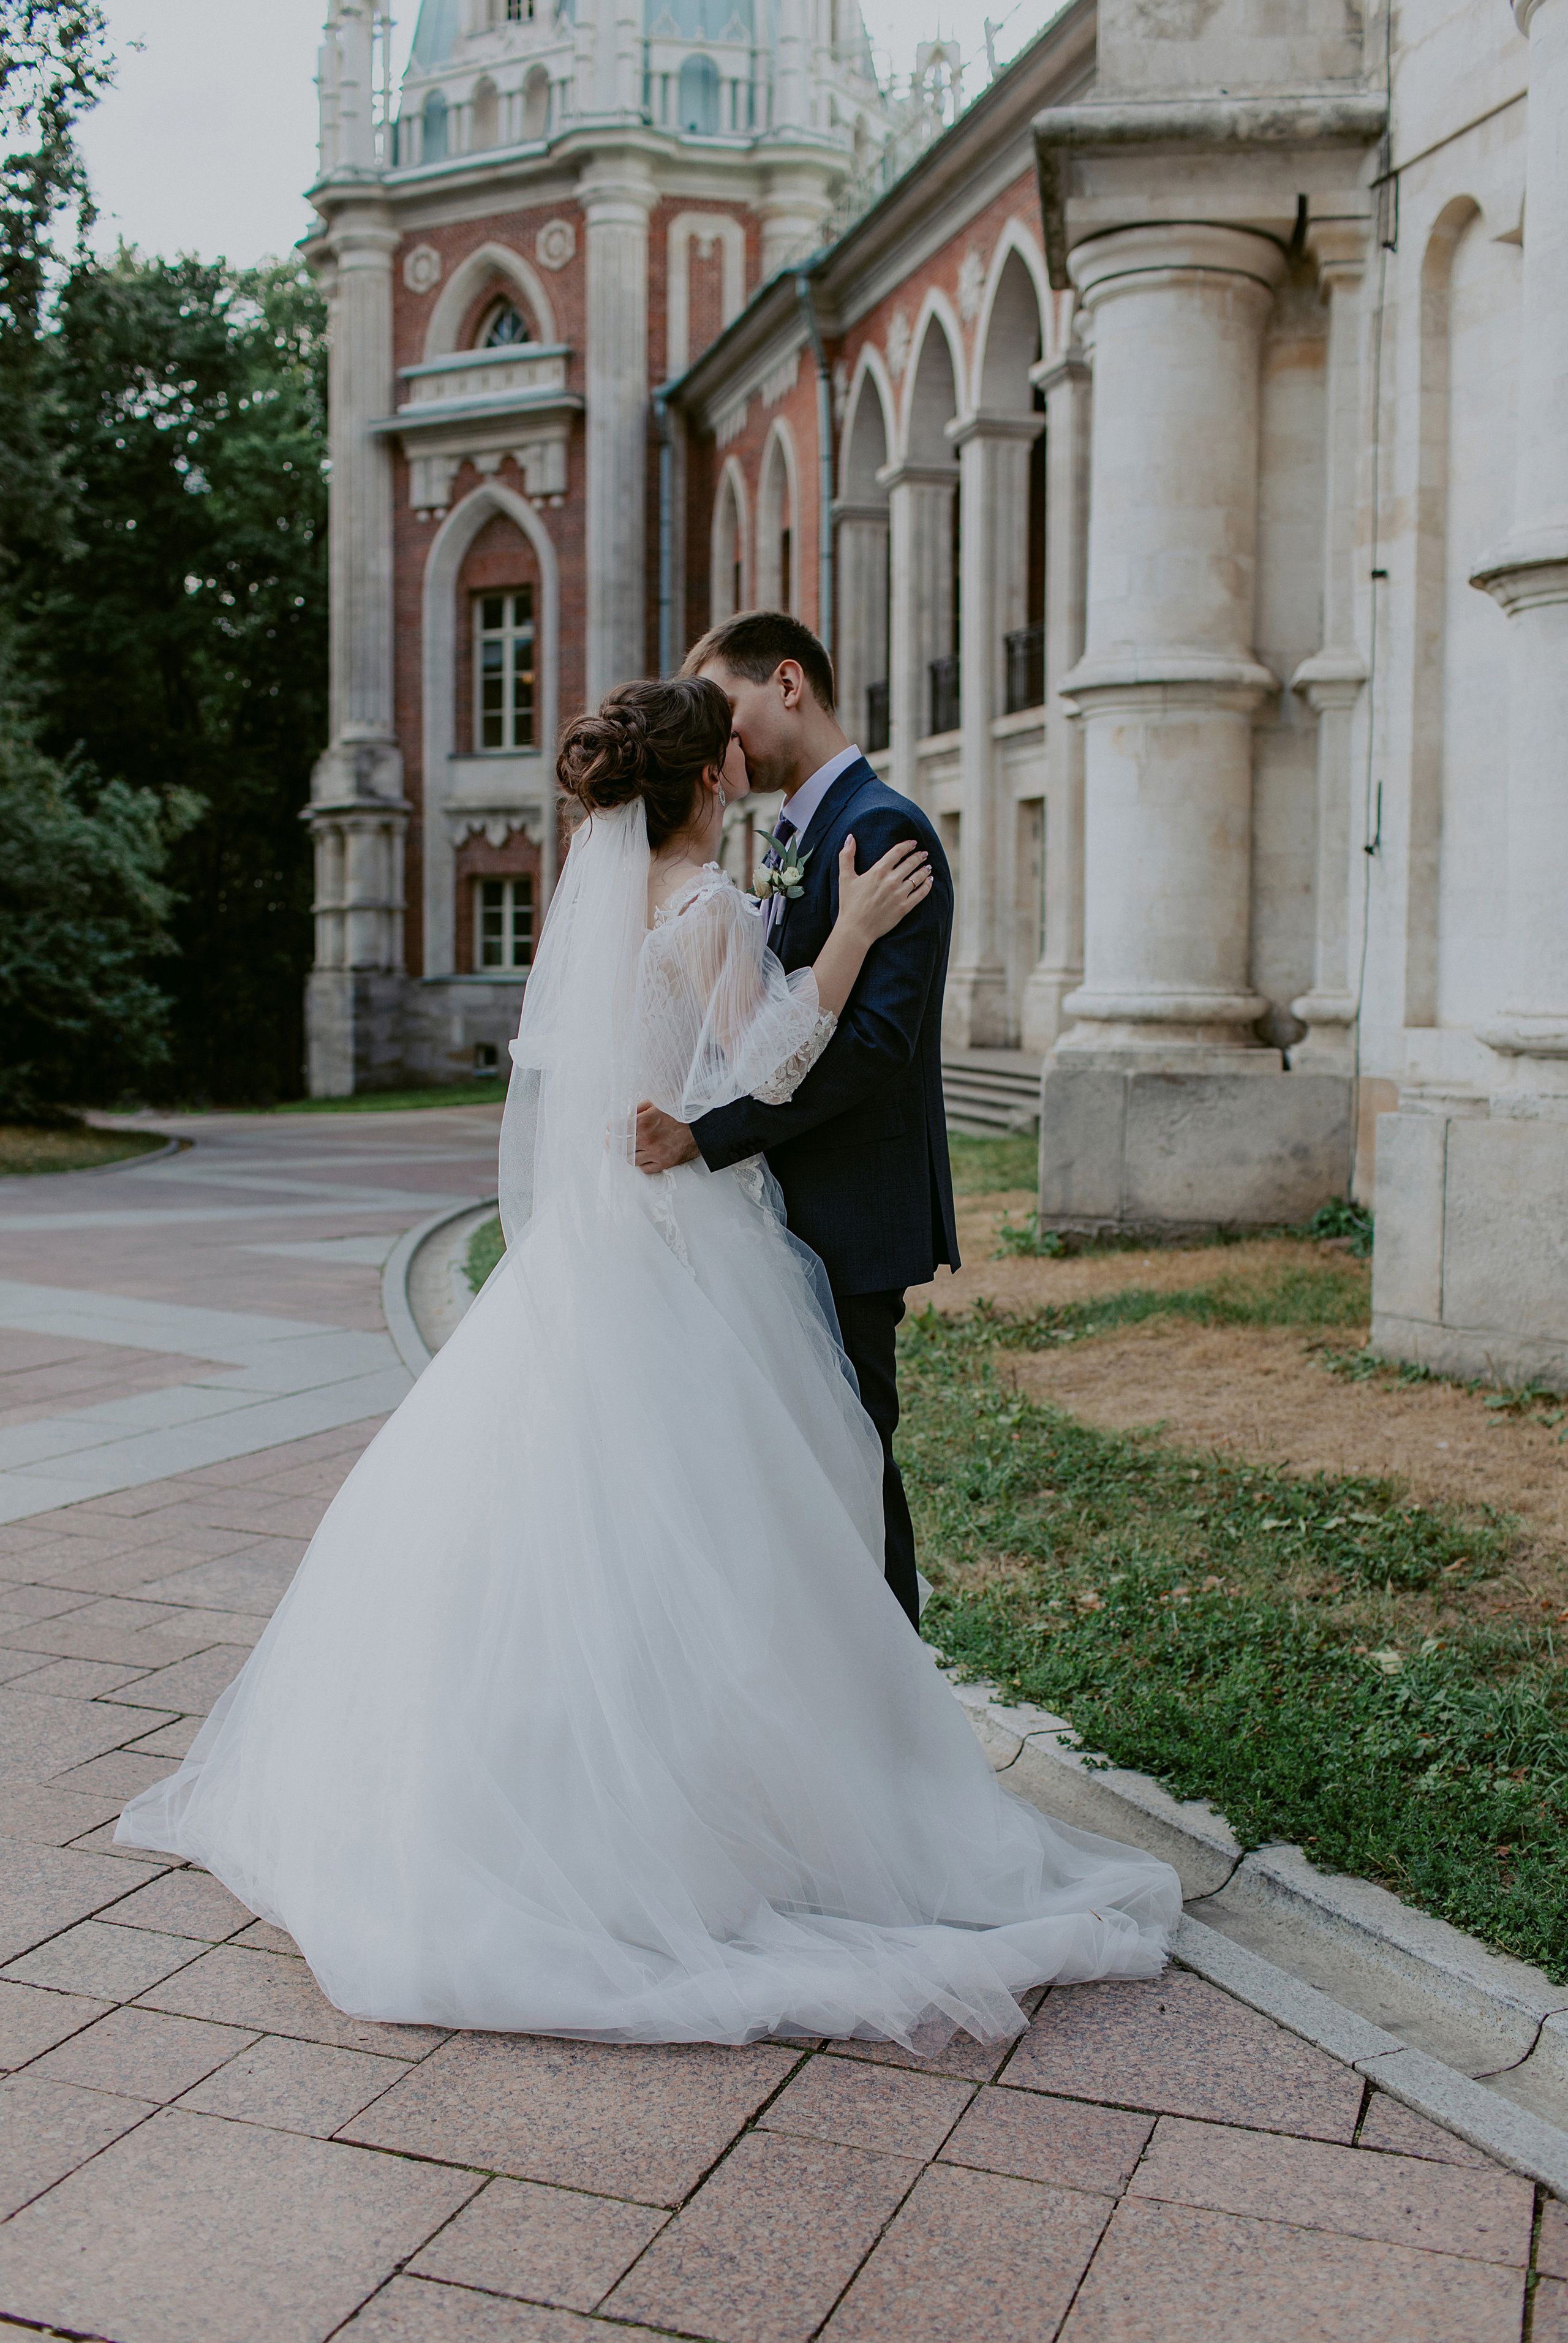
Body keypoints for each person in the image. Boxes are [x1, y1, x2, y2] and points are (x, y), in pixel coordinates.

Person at [115, 674, 1178, 2047]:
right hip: (690, 1243)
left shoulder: (593, 902)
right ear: (710, 785)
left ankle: (544, 1810)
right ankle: (739, 1822)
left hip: (594, 1249)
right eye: (727, 752)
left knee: (582, 1527)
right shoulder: (704, 906)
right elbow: (778, 1057)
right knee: (734, 1527)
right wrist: (848, 934)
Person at [634, 613, 954, 1629]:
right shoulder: (789, 836)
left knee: (855, 1476)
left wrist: (708, 1135)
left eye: (725, 713)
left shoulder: (884, 825)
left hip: (849, 1209)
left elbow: (873, 1048)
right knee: (796, 1490)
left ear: (787, 684)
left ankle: (898, 1732)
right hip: (772, 1217)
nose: (719, 748)